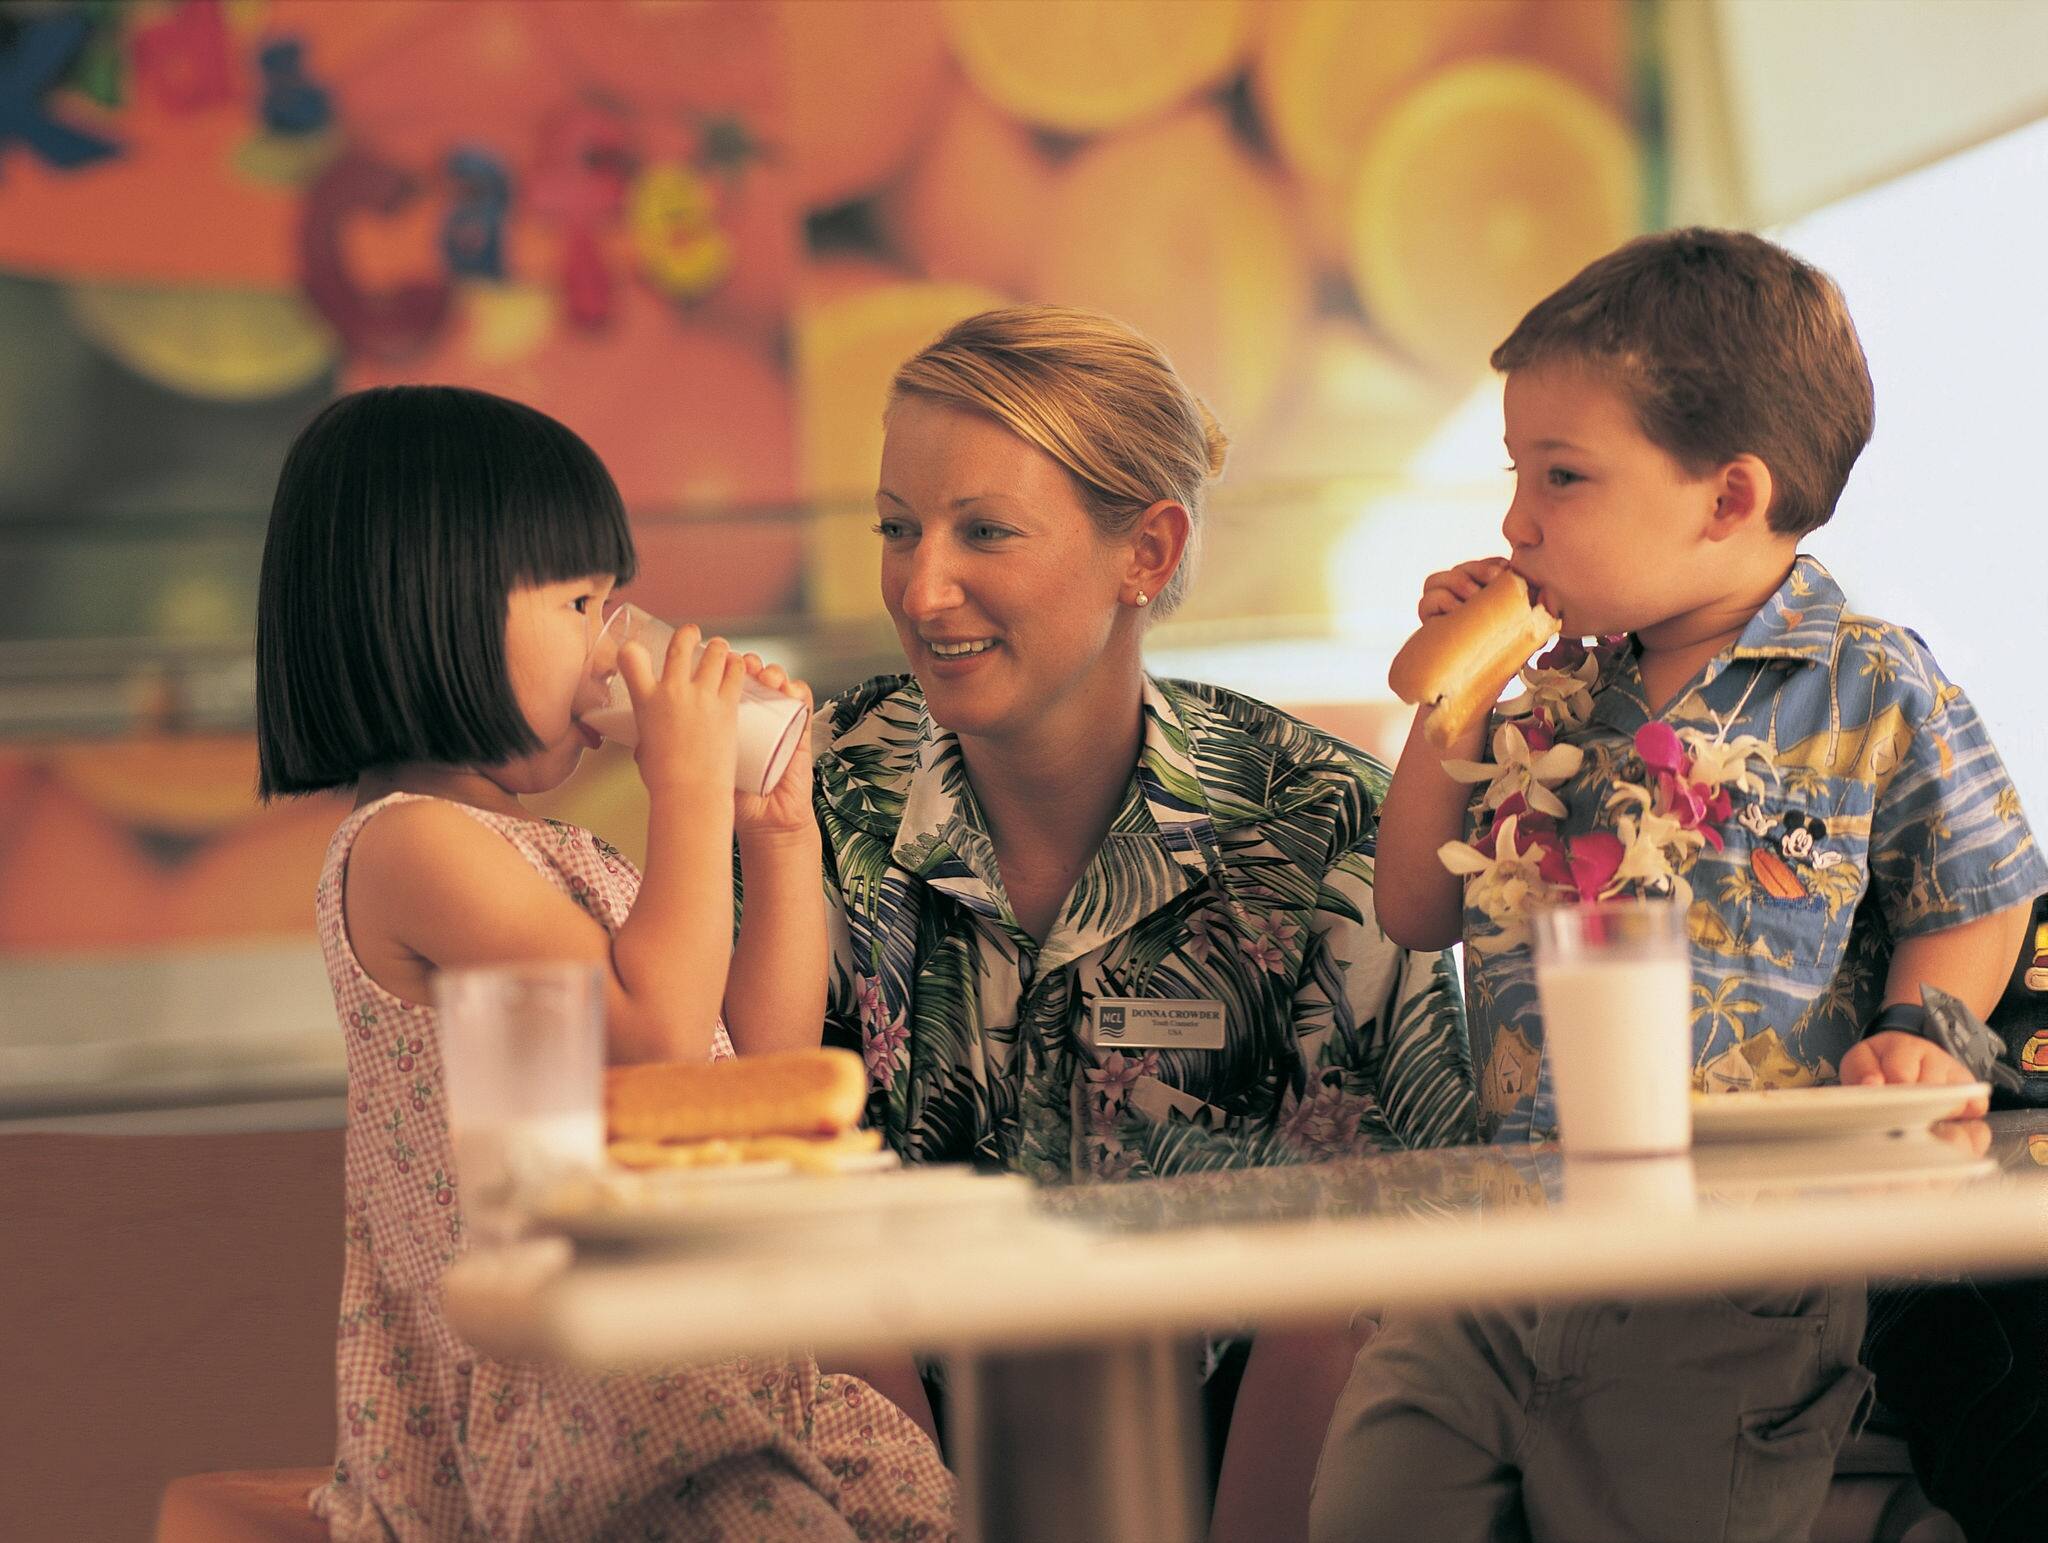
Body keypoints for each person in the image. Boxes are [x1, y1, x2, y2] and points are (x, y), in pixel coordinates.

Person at [1309, 228, 2048, 1543]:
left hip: (1735, 1260)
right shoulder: (1550, 690)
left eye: (1563, 476)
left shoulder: (1868, 678)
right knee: (1373, 1498)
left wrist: (1921, 1031)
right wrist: (1454, 703)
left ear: (1726, 497)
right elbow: (1418, 908)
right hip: (1508, 1230)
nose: (1515, 521)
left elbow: (1976, 883)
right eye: (1515, 472)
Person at [807, 305, 1477, 1540]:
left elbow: (1383, 1239)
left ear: (1147, 553)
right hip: (882, 1456)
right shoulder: (813, 802)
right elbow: (763, 1204)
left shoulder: (1319, 822)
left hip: (1259, 1455)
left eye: (982, 530)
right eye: (896, 528)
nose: (920, 585)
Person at [255, 385, 953, 1542]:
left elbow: (745, 1073)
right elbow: (654, 1043)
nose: (613, 639)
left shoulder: (561, 858)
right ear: (432, 606)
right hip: (582, 1397)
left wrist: (774, 835)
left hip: (701, 1357)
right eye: (582, 601)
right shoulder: (407, 848)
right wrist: (680, 783)